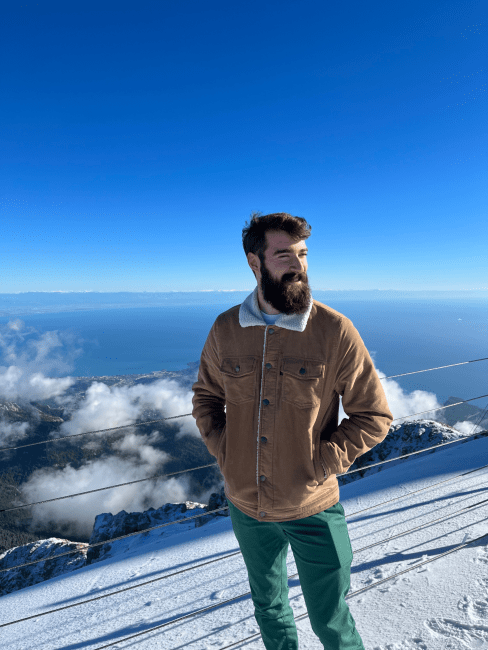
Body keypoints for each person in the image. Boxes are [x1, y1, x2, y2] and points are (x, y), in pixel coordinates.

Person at [192, 212, 393, 649]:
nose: (298, 264)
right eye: (284, 254)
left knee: (332, 621)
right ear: (254, 262)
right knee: (270, 610)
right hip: (246, 506)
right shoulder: (226, 329)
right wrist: (227, 453)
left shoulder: (334, 330)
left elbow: (374, 416)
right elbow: (206, 398)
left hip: (312, 507)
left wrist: (320, 463)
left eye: (302, 254)